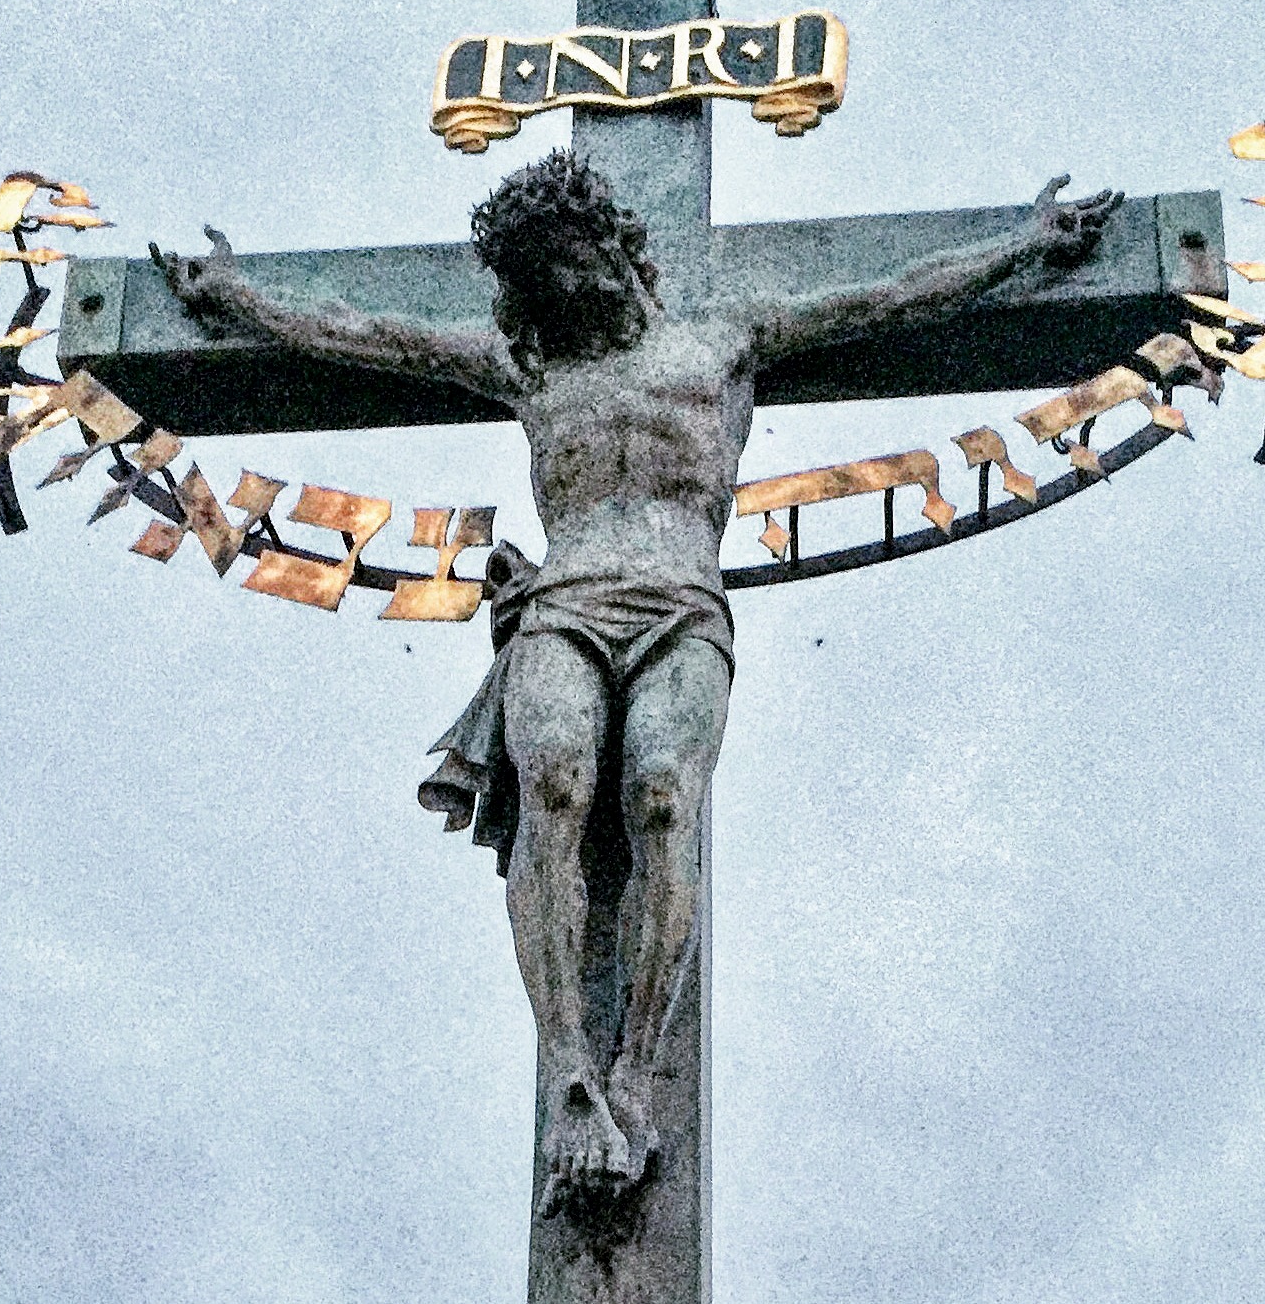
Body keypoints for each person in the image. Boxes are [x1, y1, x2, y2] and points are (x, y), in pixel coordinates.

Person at [153, 153, 1120, 1197]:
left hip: (679, 608)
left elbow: (889, 297)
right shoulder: (533, 371)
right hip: (566, 602)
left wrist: (1025, 248)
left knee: (663, 798)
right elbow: (372, 335)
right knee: (556, 786)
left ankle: (637, 1074)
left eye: (576, 265)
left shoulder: (725, 339)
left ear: (615, 246)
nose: (569, 292)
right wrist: (241, 298)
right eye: (546, 281)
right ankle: (570, 1068)